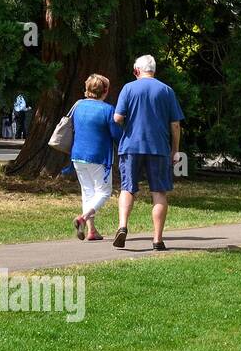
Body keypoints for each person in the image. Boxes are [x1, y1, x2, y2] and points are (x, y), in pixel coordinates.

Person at [113, 55, 184, 251]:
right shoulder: (166, 90)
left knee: (127, 188)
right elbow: (175, 124)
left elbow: (118, 117)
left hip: (131, 146)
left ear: (137, 70)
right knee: (159, 192)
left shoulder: (128, 88)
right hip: (158, 147)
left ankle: (123, 226)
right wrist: (175, 150)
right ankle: (157, 239)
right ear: (154, 70)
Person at [69, 74, 121, 242]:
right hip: (98, 157)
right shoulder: (108, 110)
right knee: (104, 192)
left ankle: (91, 230)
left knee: (88, 192)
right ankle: (83, 218)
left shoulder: (78, 106)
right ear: (105, 91)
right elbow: (116, 134)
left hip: (77, 155)